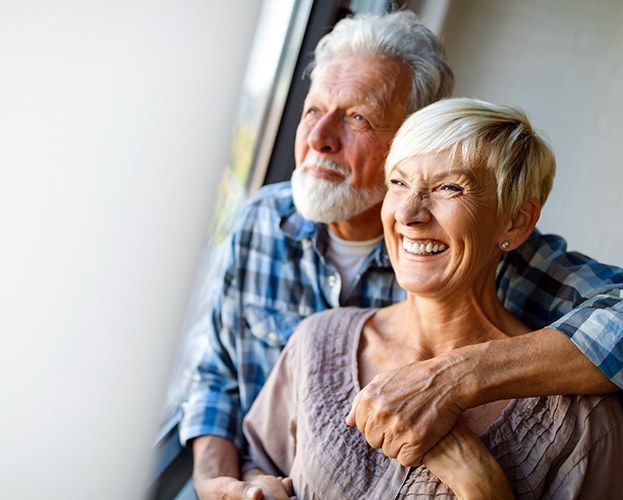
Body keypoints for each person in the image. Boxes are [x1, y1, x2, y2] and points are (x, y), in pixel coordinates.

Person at [179, 11, 623, 499]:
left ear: (418, 133)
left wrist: (455, 380)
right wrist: (217, 482)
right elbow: (217, 375)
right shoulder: (262, 222)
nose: (317, 138)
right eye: (312, 110)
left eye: (357, 118)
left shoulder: (510, 260)